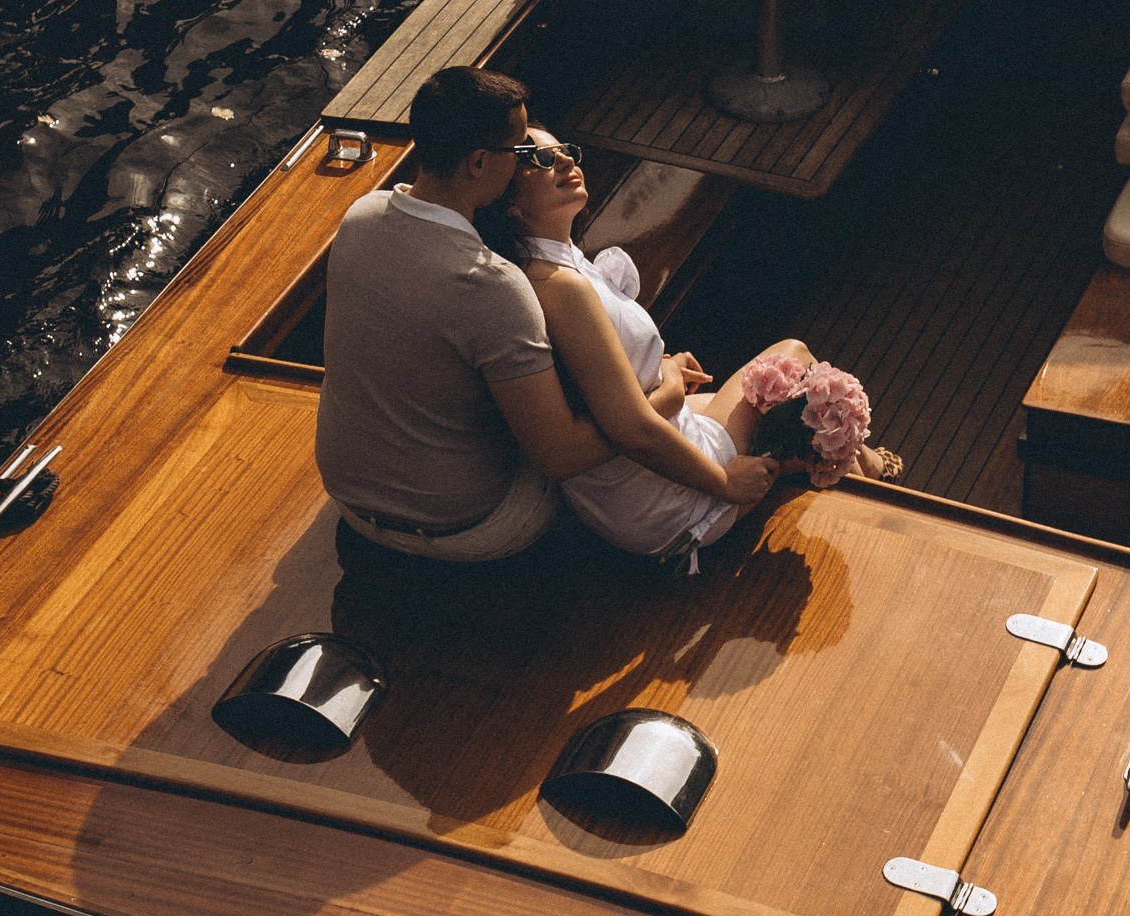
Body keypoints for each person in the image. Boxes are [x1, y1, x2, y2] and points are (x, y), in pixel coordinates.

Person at [314, 68, 773, 564]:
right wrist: (663, 392)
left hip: (349, 497)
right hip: (464, 524)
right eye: (523, 154)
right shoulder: (494, 286)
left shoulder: (362, 215)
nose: (536, 162)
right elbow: (560, 457)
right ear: (479, 163)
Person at [480, 126, 890, 564]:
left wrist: (665, 368)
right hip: (667, 504)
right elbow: (633, 430)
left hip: (622, 491)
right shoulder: (559, 287)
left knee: (768, 396)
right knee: (792, 357)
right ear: (511, 205)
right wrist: (723, 481)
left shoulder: (553, 265)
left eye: (564, 150)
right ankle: (863, 466)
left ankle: (836, 459)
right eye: (540, 160)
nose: (564, 161)